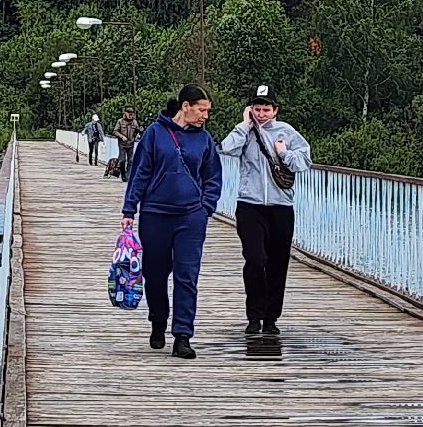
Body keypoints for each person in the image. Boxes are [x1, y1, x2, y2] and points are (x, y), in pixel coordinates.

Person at [121, 85, 222, 359]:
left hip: (191, 216)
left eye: (207, 111)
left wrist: (206, 207)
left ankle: (182, 335)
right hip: (155, 214)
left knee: (187, 276)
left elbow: (213, 176)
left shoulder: (205, 140)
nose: (205, 116)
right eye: (202, 110)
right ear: (185, 106)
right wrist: (129, 209)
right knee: (154, 274)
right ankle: (158, 320)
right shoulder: (155, 133)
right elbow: (140, 172)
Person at [219, 84, 312, 336]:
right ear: (250, 109)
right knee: (255, 258)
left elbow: (305, 160)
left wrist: (285, 154)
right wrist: (244, 125)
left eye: (266, 109)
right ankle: (254, 315)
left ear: (275, 110)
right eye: (257, 109)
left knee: (277, 263)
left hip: (281, 207)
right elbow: (226, 148)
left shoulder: (287, 132)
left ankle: (271, 318)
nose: (261, 114)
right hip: (250, 205)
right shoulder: (246, 132)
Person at [111, 108, 141, 182]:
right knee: (123, 160)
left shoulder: (134, 122)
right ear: (125, 114)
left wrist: (137, 135)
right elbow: (115, 131)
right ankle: (123, 175)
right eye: (129, 114)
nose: (131, 116)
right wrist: (122, 136)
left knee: (130, 161)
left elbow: (138, 131)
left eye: (132, 114)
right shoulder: (120, 121)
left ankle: (128, 176)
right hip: (122, 144)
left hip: (131, 143)